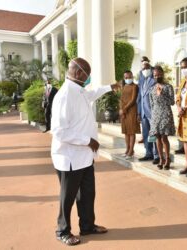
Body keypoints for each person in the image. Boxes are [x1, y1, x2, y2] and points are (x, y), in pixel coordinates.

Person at [51, 58, 120, 246]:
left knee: (88, 194)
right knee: (68, 197)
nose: (89, 78)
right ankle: (62, 230)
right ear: (79, 73)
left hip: (85, 157)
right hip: (69, 158)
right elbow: (58, 130)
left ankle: (87, 226)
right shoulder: (65, 95)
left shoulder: (80, 91)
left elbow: (92, 94)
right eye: (88, 74)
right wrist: (87, 141)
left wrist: (110, 87)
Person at [149, 66, 175, 170]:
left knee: (164, 137)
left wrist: (162, 95)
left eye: (159, 74)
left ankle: (168, 158)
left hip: (165, 114)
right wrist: (152, 116)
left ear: (162, 74)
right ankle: (161, 159)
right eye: (155, 75)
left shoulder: (168, 87)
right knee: (157, 138)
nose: (157, 76)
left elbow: (172, 102)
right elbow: (151, 104)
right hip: (155, 115)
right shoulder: (152, 88)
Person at [137, 60, 160, 164]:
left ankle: (156, 155)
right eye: (143, 68)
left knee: (153, 134)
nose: (144, 70)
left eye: (146, 68)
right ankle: (148, 153)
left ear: (150, 68)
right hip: (143, 113)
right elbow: (139, 97)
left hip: (152, 112)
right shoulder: (142, 80)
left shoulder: (154, 80)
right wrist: (138, 112)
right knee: (146, 134)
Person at [119, 70, 140, 160]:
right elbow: (121, 99)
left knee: (131, 131)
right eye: (126, 77)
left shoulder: (135, 86)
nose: (128, 79)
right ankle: (127, 149)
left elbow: (133, 100)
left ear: (132, 76)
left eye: (129, 77)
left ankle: (131, 150)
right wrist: (121, 109)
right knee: (126, 131)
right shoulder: (124, 86)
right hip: (124, 111)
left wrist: (124, 109)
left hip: (131, 110)